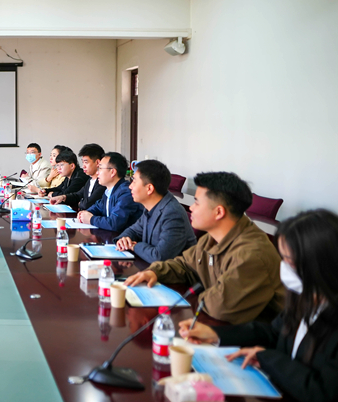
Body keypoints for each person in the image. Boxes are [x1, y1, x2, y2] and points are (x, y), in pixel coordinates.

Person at [179, 209, 338, 402]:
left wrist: (268, 358)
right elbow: (274, 333)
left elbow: (321, 391)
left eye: (289, 261)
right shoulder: (304, 298)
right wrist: (215, 334)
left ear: (319, 265)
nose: (283, 267)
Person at [126, 172, 285, 324]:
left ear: (218, 212)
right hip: (218, 326)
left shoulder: (251, 254)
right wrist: (154, 272)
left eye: (196, 202)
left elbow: (219, 306)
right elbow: (184, 264)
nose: (191, 208)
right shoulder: (212, 238)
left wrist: (191, 297)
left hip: (249, 337)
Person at [114, 160, 196, 262]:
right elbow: (134, 230)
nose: (130, 186)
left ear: (149, 189)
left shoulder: (173, 214)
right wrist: (124, 239)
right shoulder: (151, 206)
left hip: (174, 271)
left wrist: (134, 246)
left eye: (134, 181)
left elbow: (159, 256)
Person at [77, 152, 143, 233]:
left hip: (124, 238)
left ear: (112, 172)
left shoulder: (126, 192)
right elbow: (98, 207)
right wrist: (86, 213)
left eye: (100, 168)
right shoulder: (109, 190)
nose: (97, 173)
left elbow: (114, 223)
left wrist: (91, 219)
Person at [50, 143, 106, 210]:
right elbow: (77, 195)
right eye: (83, 162)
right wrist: (63, 197)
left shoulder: (102, 182)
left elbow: (87, 204)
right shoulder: (90, 180)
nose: (83, 166)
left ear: (97, 163)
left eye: (86, 162)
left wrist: (80, 203)